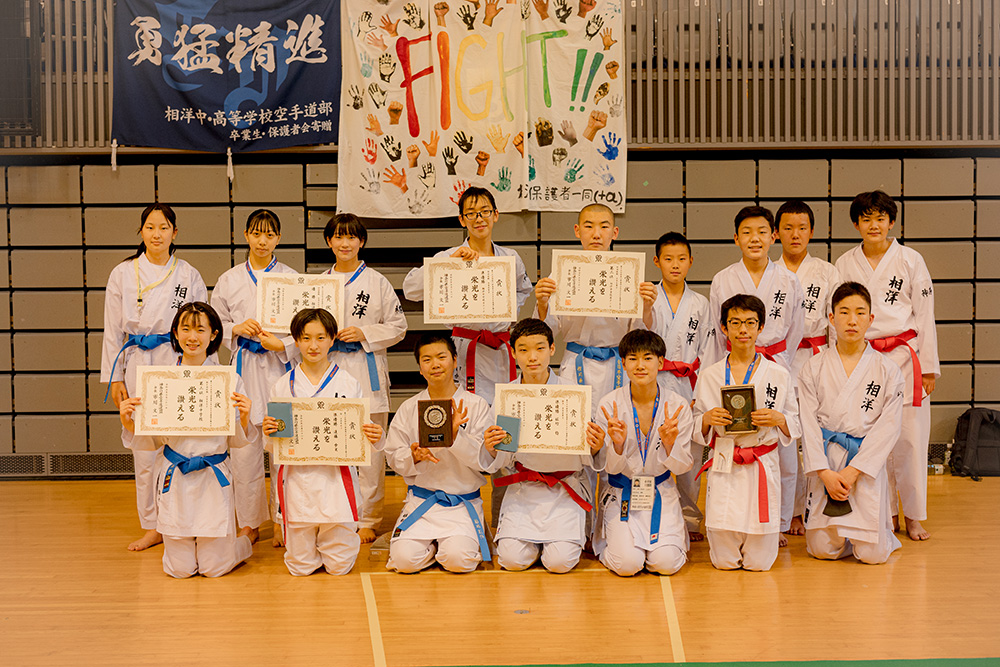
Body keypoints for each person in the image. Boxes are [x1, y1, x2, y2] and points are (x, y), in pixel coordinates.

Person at [117, 302, 254, 577]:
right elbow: (151, 442)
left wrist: (243, 417)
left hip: (212, 476)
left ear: (214, 334)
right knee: (179, 569)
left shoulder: (229, 380)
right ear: (176, 335)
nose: (193, 337)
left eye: (201, 329)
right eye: (186, 329)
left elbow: (239, 441)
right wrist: (129, 422)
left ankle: (243, 545)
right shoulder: (159, 381)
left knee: (213, 568)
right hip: (175, 475)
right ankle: (195, 545)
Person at [101, 204, 207, 552]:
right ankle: (152, 525)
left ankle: (180, 520)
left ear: (175, 233)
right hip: (137, 362)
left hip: (177, 360)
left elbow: (202, 326)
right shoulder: (123, 273)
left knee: (179, 444)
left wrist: (203, 372)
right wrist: (115, 377)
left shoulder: (187, 274)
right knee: (144, 450)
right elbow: (112, 330)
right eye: (150, 227)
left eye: (164, 227)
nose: (157, 233)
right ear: (141, 232)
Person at [835, 190, 939, 541]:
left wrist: (928, 367)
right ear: (856, 224)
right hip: (862, 357)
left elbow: (926, 317)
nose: (874, 225)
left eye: (880, 218)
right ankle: (885, 512)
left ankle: (914, 515)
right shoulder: (844, 263)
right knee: (869, 438)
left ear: (891, 222)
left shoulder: (911, 260)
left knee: (910, 439)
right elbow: (834, 316)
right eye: (866, 219)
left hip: (904, 358)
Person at [707, 205, 805, 545]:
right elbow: (716, 332)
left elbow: (796, 330)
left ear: (773, 236)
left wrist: (780, 365)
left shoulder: (790, 280)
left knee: (783, 446)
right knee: (738, 443)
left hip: (776, 365)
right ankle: (735, 517)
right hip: (735, 366)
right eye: (747, 232)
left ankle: (777, 523)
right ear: (736, 238)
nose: (755, 239)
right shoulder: (722, 279)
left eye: (763, 232)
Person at [262, 309, 385, 576]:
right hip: (298, 480)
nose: (313, 345)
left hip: (335, 479)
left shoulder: (349, 383)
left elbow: (360, 435)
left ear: (332, 340)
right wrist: (269, 432)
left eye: (321, 337)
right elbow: (274, 445)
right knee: (300, 567)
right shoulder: (283, 386)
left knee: (339, 567)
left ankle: (338, 539)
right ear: (296, 340)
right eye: (306, 338)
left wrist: (373, 435)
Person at [480, 318, 607, 573]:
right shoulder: (508, 397)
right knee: (512, 562)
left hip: (565, 488)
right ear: (513, 353)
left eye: (539, 348)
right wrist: (493, 447)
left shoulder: (574, 394)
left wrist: (594, 446)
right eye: (524, 350)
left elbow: (590, 456)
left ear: (552, 349)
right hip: (524, 489)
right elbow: (503, 455)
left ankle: (552, 544)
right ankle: (535, 544)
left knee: (559, 563)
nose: (532, 357)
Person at [799, 282, 904, 564]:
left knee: (873, 555)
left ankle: (880, 534)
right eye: (844, 312)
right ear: (831, 319)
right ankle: (844, 536)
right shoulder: (814, 367)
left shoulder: (887, 369)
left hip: (863, 462)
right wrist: (824, 472)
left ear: (871, 319)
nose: (852, 320)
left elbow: (888, 427)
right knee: (822, 550)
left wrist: (854, 472)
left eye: (860, 312)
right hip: (828, 460)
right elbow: (807, 423)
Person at [693, 295, 800, 571]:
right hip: (726, 458)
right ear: (724, 328)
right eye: (736, 323)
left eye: (750, 323)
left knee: (760, 563)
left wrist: (779, 419)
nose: (743, 330)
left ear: (760, 327)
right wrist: (706, 419)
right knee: (724, 562)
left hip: (762, 462)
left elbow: (796, 425)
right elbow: (695, 426)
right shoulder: (711, 375)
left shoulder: (779, 374)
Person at [211, 209, 297, 546]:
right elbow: (214, 326)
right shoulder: (229, 279)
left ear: (278, 238)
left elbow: (305, 330)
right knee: (244, 451)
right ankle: (249, 522)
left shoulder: (291, 278)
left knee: (282, 449)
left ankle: (283, 521)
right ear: (246, 234)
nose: (263, 240)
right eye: (257, 233)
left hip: (280, 370)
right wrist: (234, 327)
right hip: (244, 368)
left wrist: (283, 343)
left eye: (270, 234)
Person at [402, 186, 532, 405]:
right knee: (467, 410)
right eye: (471, 213)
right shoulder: (449, 256)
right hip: (465, 344)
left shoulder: (510, 257)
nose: (478, 218)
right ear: (462, 220)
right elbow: (410, 289)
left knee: (504, 407)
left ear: (495, 215)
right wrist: (450, 263)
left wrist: (503, 310)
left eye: (485, 211)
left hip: (500, 344)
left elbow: (523, 289)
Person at [323, 213, 407, 544]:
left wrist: (364, 332)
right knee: (331, 444)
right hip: (327, 370)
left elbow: (399, 327)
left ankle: (369, 517)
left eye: (351, 237)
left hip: (365, 365)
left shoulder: (376, 282)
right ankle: (335, 512)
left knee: (371, 449)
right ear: (328, 241)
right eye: (338, 237)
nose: (345, 243)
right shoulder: (319, 283)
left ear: (361, 242)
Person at [382, 332, 493, 574]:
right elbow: (392, 454)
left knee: (458, 560)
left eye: (441, 357)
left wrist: (455, 436)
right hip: (422, 502)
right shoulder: (409, 408)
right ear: (420, 368)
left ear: (455, 360)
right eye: (427, 359)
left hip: (462, 503)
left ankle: (446, 548)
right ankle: (433, 550)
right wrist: (413, 457)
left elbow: (484, 460)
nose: (435, 364)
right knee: (403, 562)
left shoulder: (476, 405)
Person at [594, 330, 694, 576]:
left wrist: (670, 445)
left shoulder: (678, 406)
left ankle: (665, 544)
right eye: (632, 358)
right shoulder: (609, 405)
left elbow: (682, 468)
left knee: (666, 564)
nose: (640, 365)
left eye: (648, 358)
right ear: (623, 363)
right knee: (628, 565)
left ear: (660, 362)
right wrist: (617, 445)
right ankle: (611, 543)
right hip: (622, 493)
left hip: (661, 491)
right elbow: (611, 469)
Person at [775, 200, 841, 539]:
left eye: (802, 227)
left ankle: (811, 510)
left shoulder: (828, 273)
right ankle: (788, 515)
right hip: (778, 362)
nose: (795, 234)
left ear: (812, 232)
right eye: (787, 228)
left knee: (816, 438)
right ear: (776, 233)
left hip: (817, 359)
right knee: (785, 441)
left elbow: (836, 324)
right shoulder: (770, 273)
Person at [645, 231, 714, 542]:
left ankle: (690, 518)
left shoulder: (701, 303)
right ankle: (645, 511)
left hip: (688, 383)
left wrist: (701, 396)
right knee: (648, 447)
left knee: (689, 453)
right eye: (668, 259)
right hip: (652, 382)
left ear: (691, 262)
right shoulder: (647, 297)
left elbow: (709, 352)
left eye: (681, 259)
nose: (675, 265)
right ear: (657, 261)